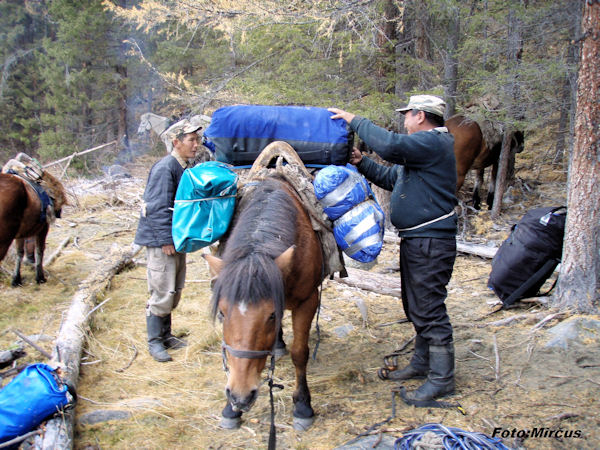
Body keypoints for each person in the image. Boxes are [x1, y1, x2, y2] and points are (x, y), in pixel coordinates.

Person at [328, 95, 458, 405]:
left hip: (431, 242)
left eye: (407, 115)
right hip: (419, 240)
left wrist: (353, 118)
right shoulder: (424, 153)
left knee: (428, 307)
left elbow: (391, 146)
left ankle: (442, 379)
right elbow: (391, 177)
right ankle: (422, 364)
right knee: (415, 305)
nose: (404, 120)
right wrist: (363, 163)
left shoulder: (433, 142)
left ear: (420, 116)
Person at [134, 118, 202, 362]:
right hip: (161, 241)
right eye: (191, 140)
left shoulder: (181, 167)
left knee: (173, 288)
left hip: (174, 239)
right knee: (162, 289)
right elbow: (156, 208)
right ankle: (154, 342)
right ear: (176, 142)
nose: (196, 145)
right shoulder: (165, 168)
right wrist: (165, 240)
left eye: (198, 140)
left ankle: (166, 335)